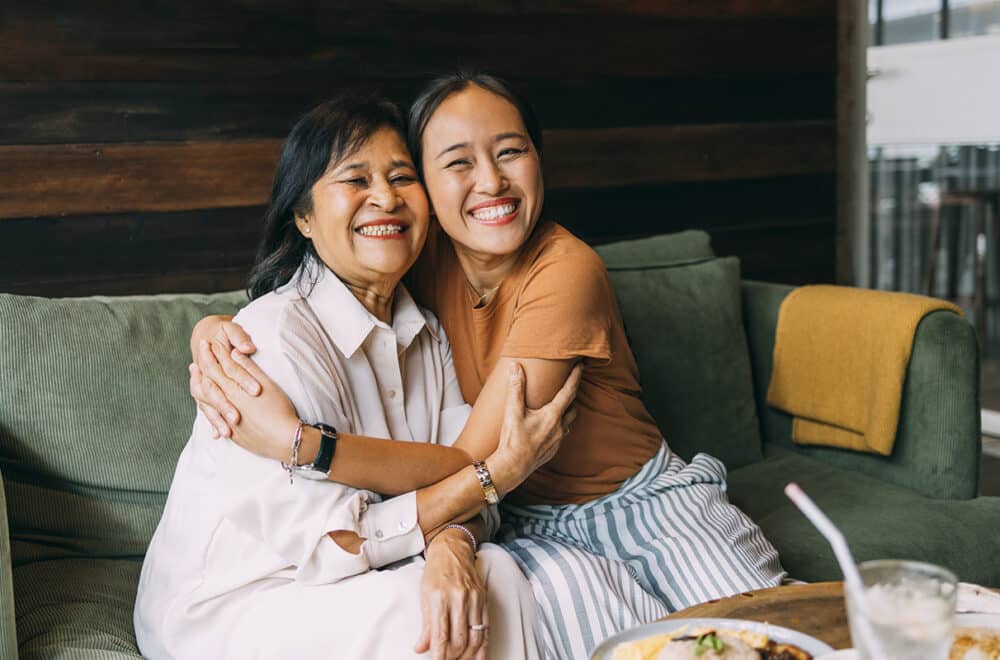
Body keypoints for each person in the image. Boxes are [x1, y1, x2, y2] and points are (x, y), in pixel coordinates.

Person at [190, 73, 786, 660]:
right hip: (522, 521)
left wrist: (306, 446)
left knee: (763, 634)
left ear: (539, 160)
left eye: (511, 152)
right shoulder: (416, 260)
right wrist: (212, 330)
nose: (491, 182)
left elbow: (472, 460)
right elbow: (325, 279)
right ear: (430, 186)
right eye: (457, 163)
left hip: (638, 503)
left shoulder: (565, 270)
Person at [135, 93, 582, 660]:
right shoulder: (267, 341)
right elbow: (334, 543)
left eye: (401, 176)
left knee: (492, 571)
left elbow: (464, 486)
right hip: (236, 603)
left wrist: (452, 545)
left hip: (358, 573)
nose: (385, 198)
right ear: (303, 217)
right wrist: (500, 473)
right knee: (416, 611)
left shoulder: (426, 333)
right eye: (355, 179)